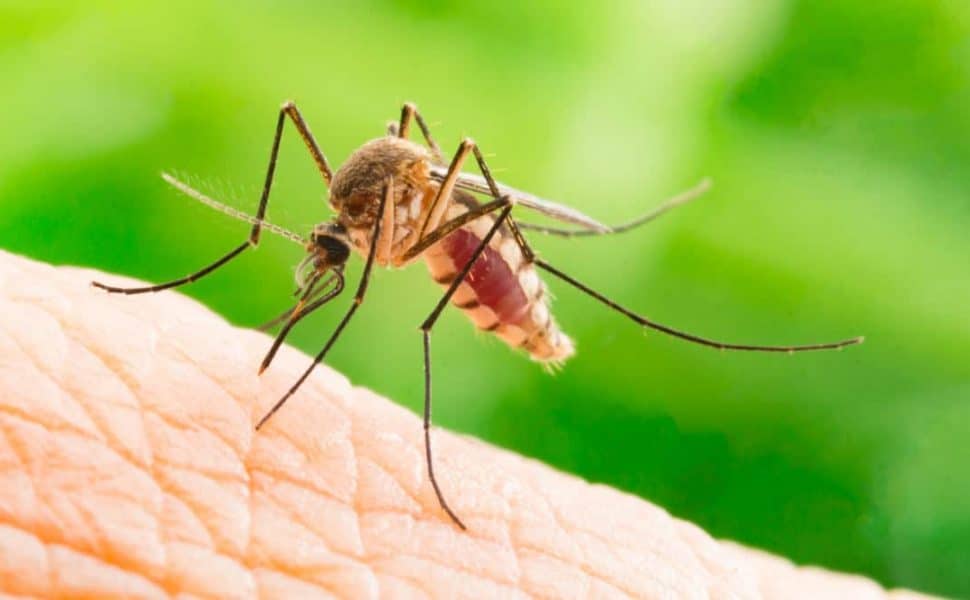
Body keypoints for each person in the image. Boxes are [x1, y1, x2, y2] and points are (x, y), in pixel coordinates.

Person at [0, 250, 931, 598]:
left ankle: (620, 308)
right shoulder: (356, 216)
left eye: (325, 254)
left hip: (469, 228)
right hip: (444, 217)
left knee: (403, 284)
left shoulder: (386, 233)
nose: (321, 268)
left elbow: (372, 265)